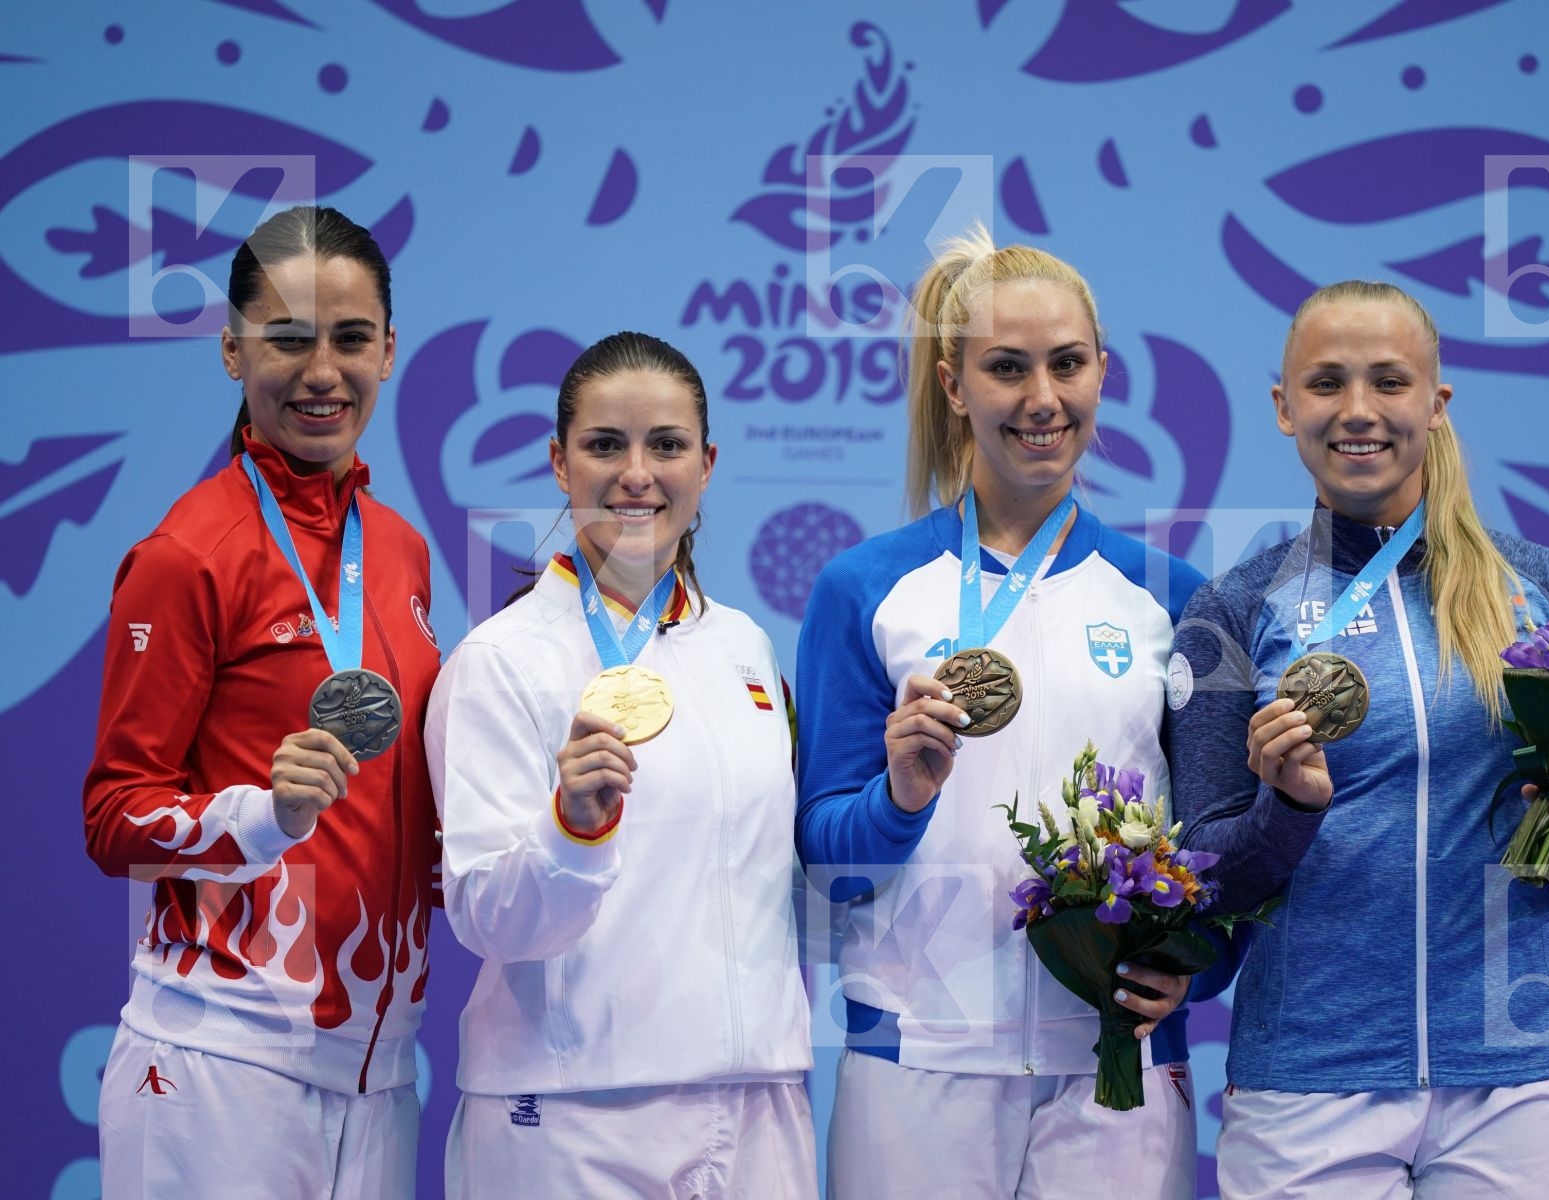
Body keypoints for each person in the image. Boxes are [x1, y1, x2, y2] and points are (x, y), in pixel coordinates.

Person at [1170, 279, 1549, 1199]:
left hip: (1520, 1068)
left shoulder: (1544, 586)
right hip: (1313, 1076)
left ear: (1436, 401)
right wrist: (1289, 810)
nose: (1358, 412)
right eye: (1327, 383)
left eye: (1389, 382)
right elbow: (1202, 872)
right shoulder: (1230, 610)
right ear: (1283, 407)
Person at [795, 226, 1231, 1200]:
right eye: (1007, 368)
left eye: (1067, 364)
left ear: (1103, 373)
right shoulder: (864, 589)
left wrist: (1200, 968)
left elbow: (1219, 842)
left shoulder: (1175, 596)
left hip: (1115, 1062)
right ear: (954, 386)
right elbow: (827, 869)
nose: (1043, 398)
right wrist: (899, 795)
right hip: (916, 1060)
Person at [84, 205, 439, 1198]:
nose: (323, 371)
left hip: (378, 1070)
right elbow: (114, 818)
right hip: (218, 1066)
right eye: (286, 339)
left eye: (351, 338)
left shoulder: (402, 552)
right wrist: (265, 815)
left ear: (390, 351)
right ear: (233, 351)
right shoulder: (188, 553)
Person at [425, 332, 815, 1199]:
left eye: (666, 445)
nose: (637, 473)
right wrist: (573, 829)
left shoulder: (744, 647)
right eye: (606, 445)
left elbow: (764, 879)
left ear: (706, 464)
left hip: (757, 1106)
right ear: (559, 463)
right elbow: (484, 915)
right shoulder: (500, 662)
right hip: (573, 1115)